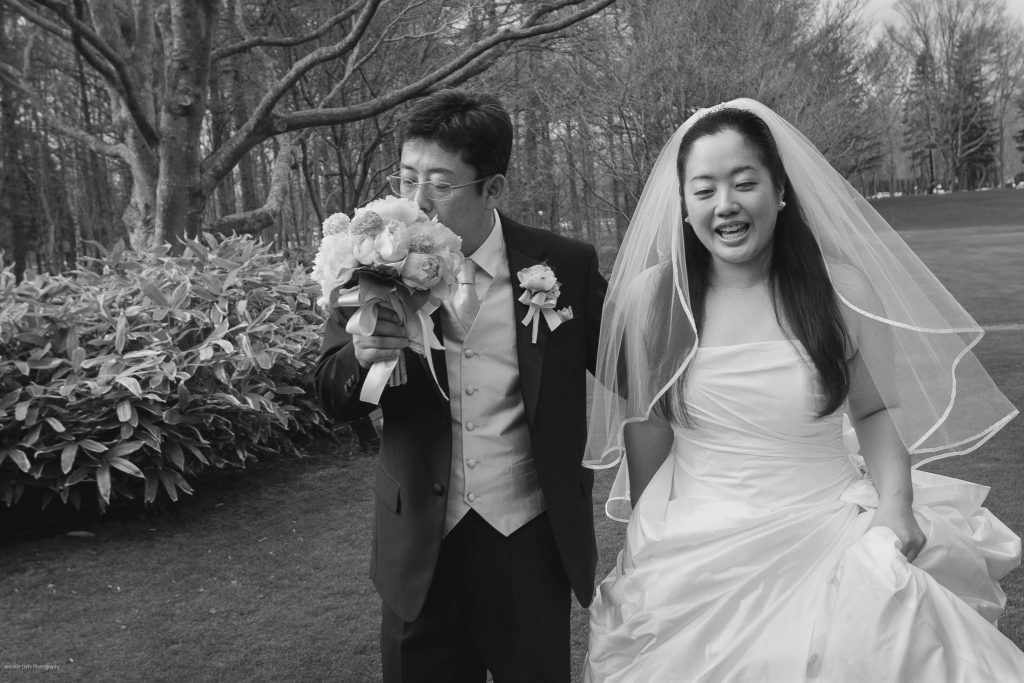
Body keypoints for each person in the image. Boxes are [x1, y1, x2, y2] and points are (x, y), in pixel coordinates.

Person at [582, 99, 1024, 681]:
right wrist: (646, 537)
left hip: (829, 526)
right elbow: (649, 424)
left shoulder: (839, 287)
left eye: (744, 183)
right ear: (684, 205)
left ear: (780, 189)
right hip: (696, 546)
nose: (726, 205)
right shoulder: (653, 299)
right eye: (704, 189)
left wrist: (895, 504)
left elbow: (875, 408)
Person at [314, 89, 607, 682]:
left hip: (528, 539)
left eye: (440, 184)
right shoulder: (369, 263)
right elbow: (328, 392)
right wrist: (358, 357)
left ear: (492, 188)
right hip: (418, 547)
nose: (416, 202)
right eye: (406, 178)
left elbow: (631, 362)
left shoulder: (563, 266)